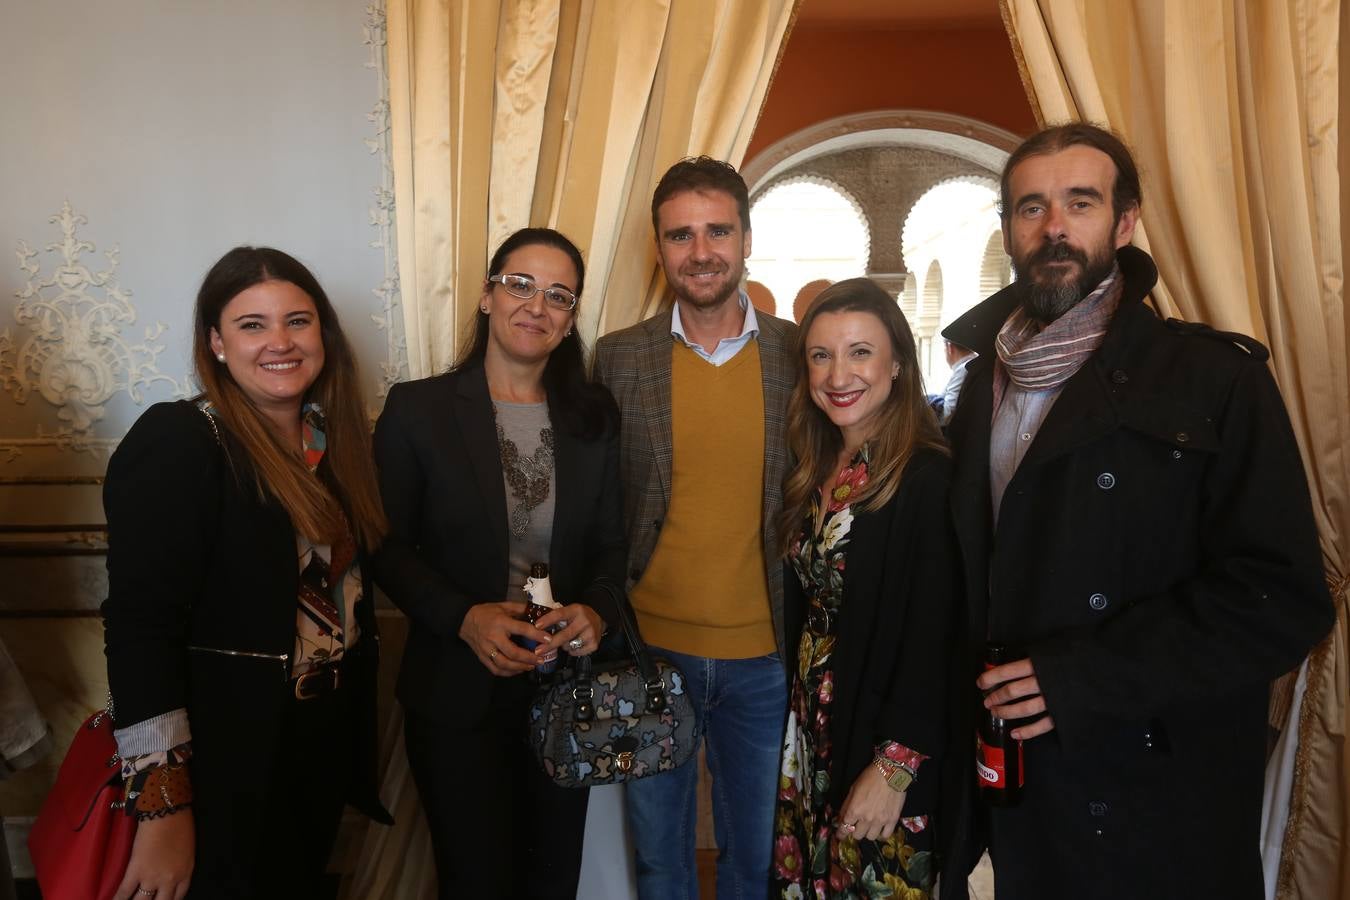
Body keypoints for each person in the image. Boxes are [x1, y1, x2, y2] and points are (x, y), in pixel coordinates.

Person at [939, 123, 1334, 899]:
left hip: (1158, 778)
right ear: (1009, 229)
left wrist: (1084, 677)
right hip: (1022, 781)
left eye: (1079, 203)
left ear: (1124, 223)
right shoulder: (980, 386)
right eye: (1031, 208)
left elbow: (1281, 598)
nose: (1054, 227)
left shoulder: (1213, 378)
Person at [102, 246, 392, 899]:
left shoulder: (330, 442)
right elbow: (139, 631)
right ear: (217, 342)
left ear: (323, 335)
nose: (280, 342)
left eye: (298, 320)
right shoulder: (181, 440)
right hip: (226, 755)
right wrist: (164, 807)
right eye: (252, 324)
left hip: (318, 742)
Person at [372, 227, 625, 899]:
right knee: (474, 880)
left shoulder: (594, 417)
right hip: (456, 691)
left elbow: (611, 546)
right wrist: (464, 619)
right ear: (487, 296)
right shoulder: (417, 409)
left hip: (565, 688)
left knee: (551, 881)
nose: (535, 305)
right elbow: (383, 546)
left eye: (558, 295)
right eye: (519, 284)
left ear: (571, 321)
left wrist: (596, 611)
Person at [593, 156, 798, 898]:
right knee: (660, 858)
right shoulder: (617, 358)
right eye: (681, 235)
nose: (701, 250)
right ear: (659, 247)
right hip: (651, 655)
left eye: (718, 231)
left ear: (746, 238)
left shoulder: (798, 353)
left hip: (766, 659)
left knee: (754, 857)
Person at [771, 278, 958, 899]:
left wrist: (895, 766)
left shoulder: (927, 478)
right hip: (813, 725)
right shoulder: (814, 467)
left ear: (898, 363)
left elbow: (940, 634)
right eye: (821, 355)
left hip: (882, 738)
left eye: (860, 352)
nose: (837, 374)